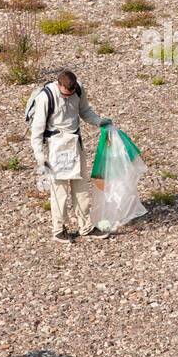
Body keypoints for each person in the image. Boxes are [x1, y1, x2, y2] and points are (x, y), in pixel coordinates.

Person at [27, 70, 112, 243]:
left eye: (71, 94)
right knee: (59, 190)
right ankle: (59, 230)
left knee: (80, 186)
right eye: (65, 94)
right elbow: (36, 132)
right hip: (55, 146)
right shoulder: (45, 98)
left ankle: (86, 227)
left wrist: (99, 121)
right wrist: (40, 158)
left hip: (74, 143)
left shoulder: (78, 89)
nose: (68, 97)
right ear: (59, 85)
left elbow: (85, 111)